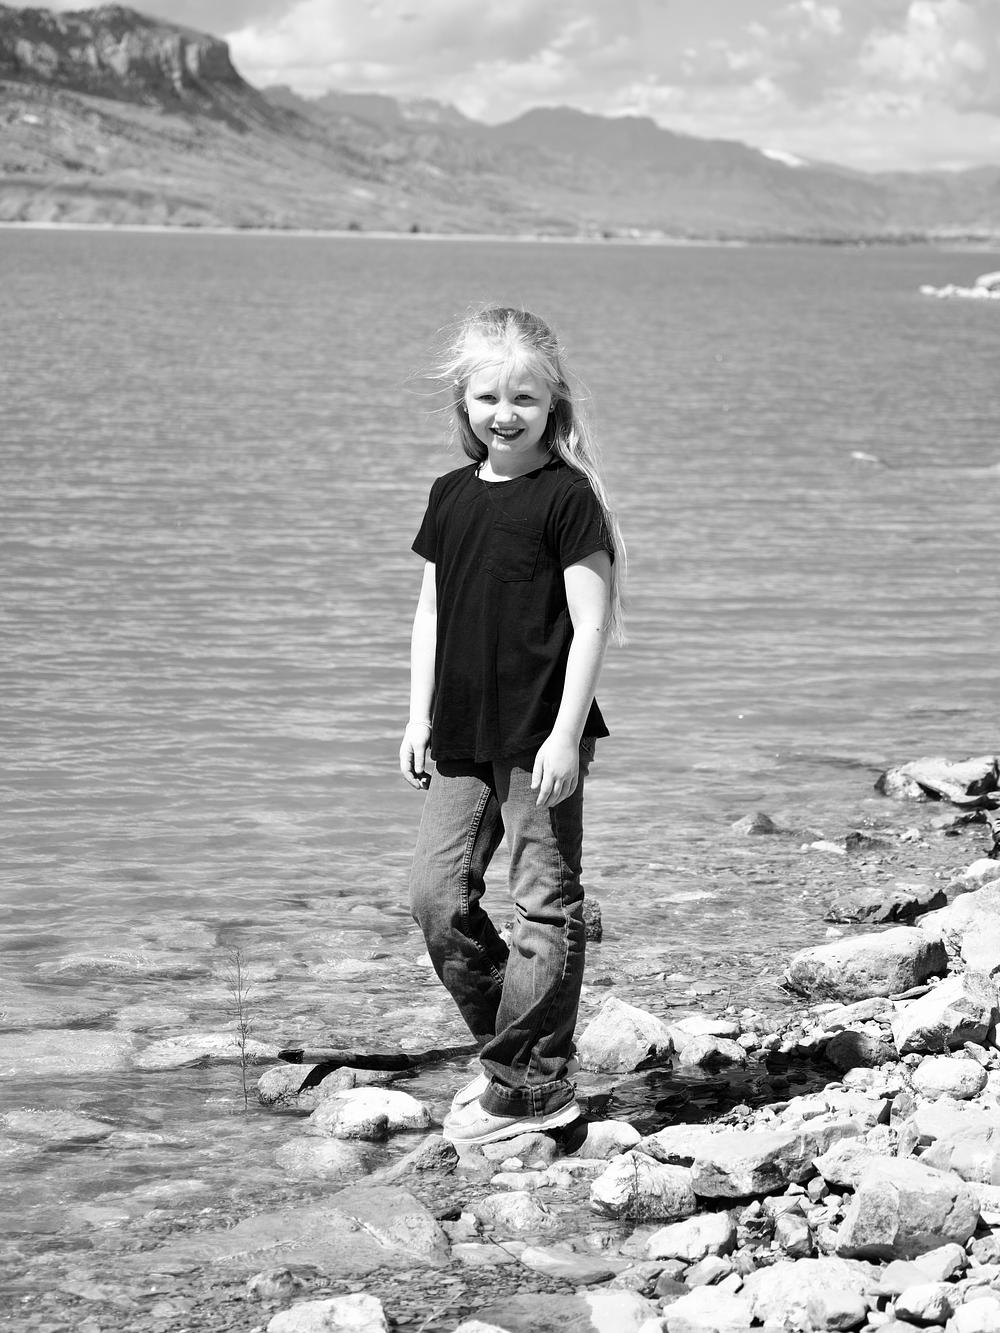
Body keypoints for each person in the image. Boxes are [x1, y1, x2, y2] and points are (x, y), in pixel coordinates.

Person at [399, 306, 625, 1146]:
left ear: (553, 401)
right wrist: (416, 714)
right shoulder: (450, 494)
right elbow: (430, 612)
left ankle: (532, 1084)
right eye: (488, 396)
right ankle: (517, 1055)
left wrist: (566, 733)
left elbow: (591, 623)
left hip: (540, 732)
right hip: (459, 729)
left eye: (524, 397)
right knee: (436, 896)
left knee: (543, 904)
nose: (505, 413)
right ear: (462, 400)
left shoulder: (566, 497)